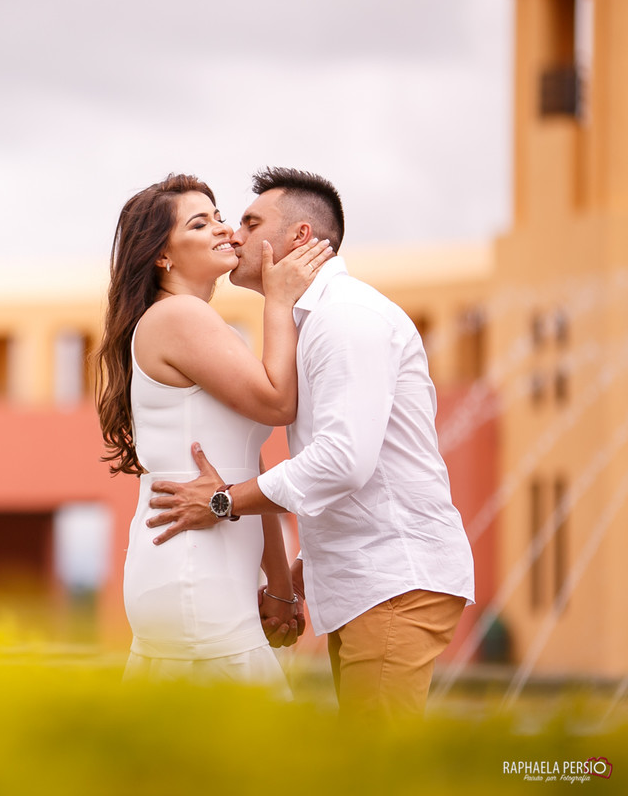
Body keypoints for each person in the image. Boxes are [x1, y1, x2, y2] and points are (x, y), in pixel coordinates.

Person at [146, 167, 476, 719]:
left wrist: (224, 500)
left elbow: (343, 462)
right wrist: (299, 571)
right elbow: (354, 471)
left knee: (376, 768)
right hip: (371, 581)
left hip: (392, 581)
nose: (234, 235)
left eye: (250, 223)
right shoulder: (315, 320)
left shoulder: (344, 318)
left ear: (299, 238)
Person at [96, 173, 333, 688]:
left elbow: (247, 464)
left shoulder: (197, 321)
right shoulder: (179, 316)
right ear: (163, 255)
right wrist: (279, 298)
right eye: (201, 224)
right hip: (192, 568)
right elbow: (277, 403)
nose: (225, 231)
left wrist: (278, 583)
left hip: (210, 566)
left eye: (220, 216)